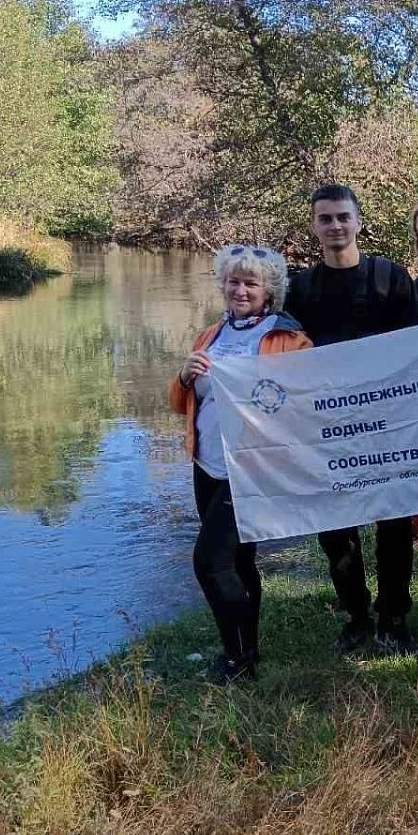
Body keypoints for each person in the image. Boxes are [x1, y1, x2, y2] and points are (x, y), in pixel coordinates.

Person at [285, 184, 418, 655]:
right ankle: (357, 615)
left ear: (358, 222)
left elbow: (416, 349)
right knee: (334, 528)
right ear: (314, 226)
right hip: (327, 428)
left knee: (394, 526)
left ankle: (394, 616)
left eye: (343, 217)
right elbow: (282, 356)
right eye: (325, 218)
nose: (335, 226)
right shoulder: (299, 287)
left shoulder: (389, 278)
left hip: (387, 424)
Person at [169, 244, 311, 682]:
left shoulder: (288, 339)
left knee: (209, 562)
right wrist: (183, 376)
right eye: (233, 281)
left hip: (253, 469)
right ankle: (248, 651)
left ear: (270, 289)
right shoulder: (209, 336)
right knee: (241, 562)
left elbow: (306, 405)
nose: (241, 289)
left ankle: (236, 659)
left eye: (251, 282)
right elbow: (181, 405)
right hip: (207, 463)